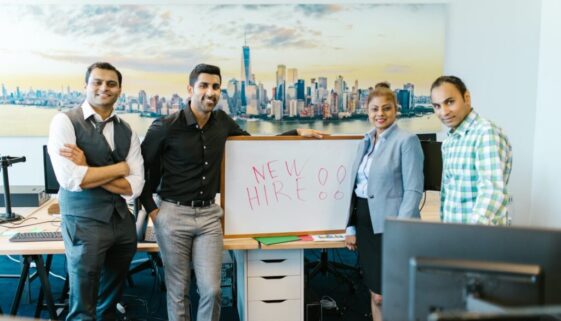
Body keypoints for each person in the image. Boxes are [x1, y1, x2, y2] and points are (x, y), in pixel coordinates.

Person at [140, 63, 323, 321]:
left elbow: (253, 148)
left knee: (212, 290)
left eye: (216, 86)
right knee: (178, 291)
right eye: (204, 85)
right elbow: (141, 171)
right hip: (172, 216)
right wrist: (154, 211)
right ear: (190, 89)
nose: (210, 92)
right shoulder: (166, 126)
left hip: (208, 216)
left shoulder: (222, 122)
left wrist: (295, 133)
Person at [47, 62, 144, 320]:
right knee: (83, 303)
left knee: (110, 301)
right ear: (86, 86)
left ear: (119, 90)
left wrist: (88, 167)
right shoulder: (64, 122)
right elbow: (71, 179)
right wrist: (119, 168)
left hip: (122, 223)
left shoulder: (127, 130)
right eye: (97, 82)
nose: (104, 88)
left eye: (111, 83)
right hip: (83, 222)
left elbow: (134, 186)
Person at [344, 85, 424, 321]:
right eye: (375, 109)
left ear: (396, 110)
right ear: (367, 111)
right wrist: (350, 227)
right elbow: (354, 188)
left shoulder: (406, 141)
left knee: (390, 293)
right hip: (366, 226)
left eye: (386, 108)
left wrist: (399, 229)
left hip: (391, 228)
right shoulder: (365, 141)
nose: (380, 114)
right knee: (375, 292)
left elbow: (413, 189)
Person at [430, 76, 512, 225]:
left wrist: (471, 235)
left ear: (466, 98)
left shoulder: (485, 133)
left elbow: (492, 191)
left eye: (450, 102)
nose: (444, 112)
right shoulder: (449, 141)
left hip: (479, 238)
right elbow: (448, 196)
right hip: (455, 235)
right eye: (437, 106)